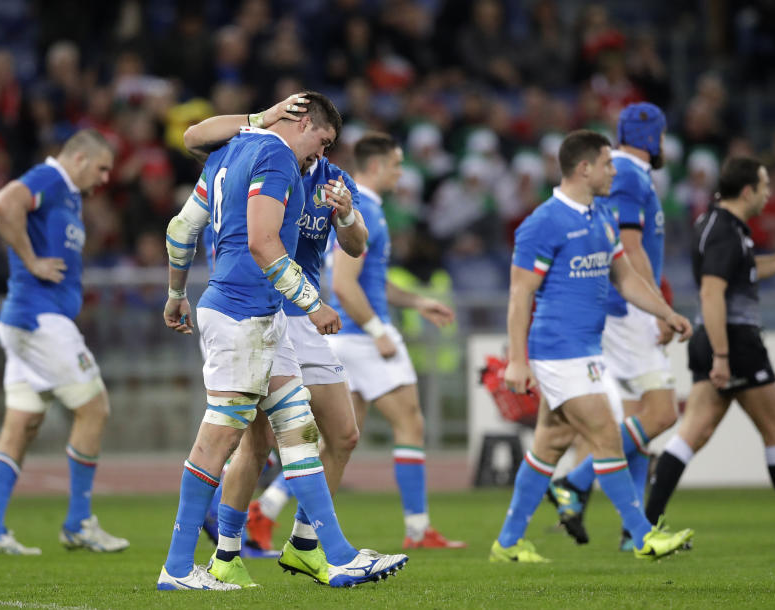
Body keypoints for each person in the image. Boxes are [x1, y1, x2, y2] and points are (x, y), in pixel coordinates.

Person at [157, 91, 407, 591]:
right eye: (323, 140)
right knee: (223, 438)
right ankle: (182, 566)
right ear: (301, 122)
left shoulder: (231, 153)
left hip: (254, 313)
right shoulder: (274, 155)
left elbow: (183, 228)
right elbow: (262, 241)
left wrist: (175, 294)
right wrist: (313, 304)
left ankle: (332, 555)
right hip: (244, 311)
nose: (325, 154)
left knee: (296, 429)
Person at [489, 129, 695, 563]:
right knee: (606, 435)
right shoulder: (542, 223)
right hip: (558, 350)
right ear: (584, 169)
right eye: (607, 163)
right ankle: (642, 536)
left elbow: (625, 278)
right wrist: (517, 360)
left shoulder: (602, 215)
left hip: (587, 349)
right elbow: (519, 295)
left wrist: (664, 312)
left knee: (549, 444)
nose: (613, 171)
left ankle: (507, 543)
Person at [645, 157, 775, 544]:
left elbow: (746, 270)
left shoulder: (717, 225)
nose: (768, 194)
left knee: (694, 431)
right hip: (734, 340)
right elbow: (712, 291)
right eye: (764, 186)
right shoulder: (726, 230)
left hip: (716, 339)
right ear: (747, 191)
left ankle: (646, 524)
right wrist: (724, 356)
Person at [0, 129, 129, 555]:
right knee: (94, 408)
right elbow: (3, 204)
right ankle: (78, 523)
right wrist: (30, 259)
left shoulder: (70, 196)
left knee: (22, 424)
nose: (106, 177)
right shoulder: (51, 177)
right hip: (40, 319)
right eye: (101, 167)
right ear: (78, 158)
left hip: (26, 320)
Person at [547, 102, 678, 550]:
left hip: (620, 311)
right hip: (628, 313)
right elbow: (629, 244)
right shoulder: (629, 175)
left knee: (639, 419)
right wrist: (659, 306)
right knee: (662, 413)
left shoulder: (620, 171)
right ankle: (576, 481)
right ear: (656, 138)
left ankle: (632, 531)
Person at [327, 132, 465, 549]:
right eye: (397, 165)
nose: (401, 173)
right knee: (410, 423)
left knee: (340, 441)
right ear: (375, 166)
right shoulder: (362, 208)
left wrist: (418, 301)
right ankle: (419, 530)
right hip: (365, 337)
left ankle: (270, 509)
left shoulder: (367, 207)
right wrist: (378, 332)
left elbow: (372, 281)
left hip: (346, 339)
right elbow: (344, 285)